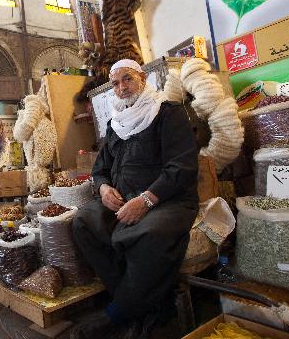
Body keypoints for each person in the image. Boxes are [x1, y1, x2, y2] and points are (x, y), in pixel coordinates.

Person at [71, 59, 199, 339]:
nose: (121, 87)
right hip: (123, 199)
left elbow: (182, 168)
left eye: (127, 79)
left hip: (167, 199)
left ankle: (117, 314)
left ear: (142, 78)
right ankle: (137, 306)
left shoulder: (167, 112)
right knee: (83, 221)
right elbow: (100, 170)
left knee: (148, 235)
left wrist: (146, 201)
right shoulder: (116, 123)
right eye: (115, 83)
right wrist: (104, 189)